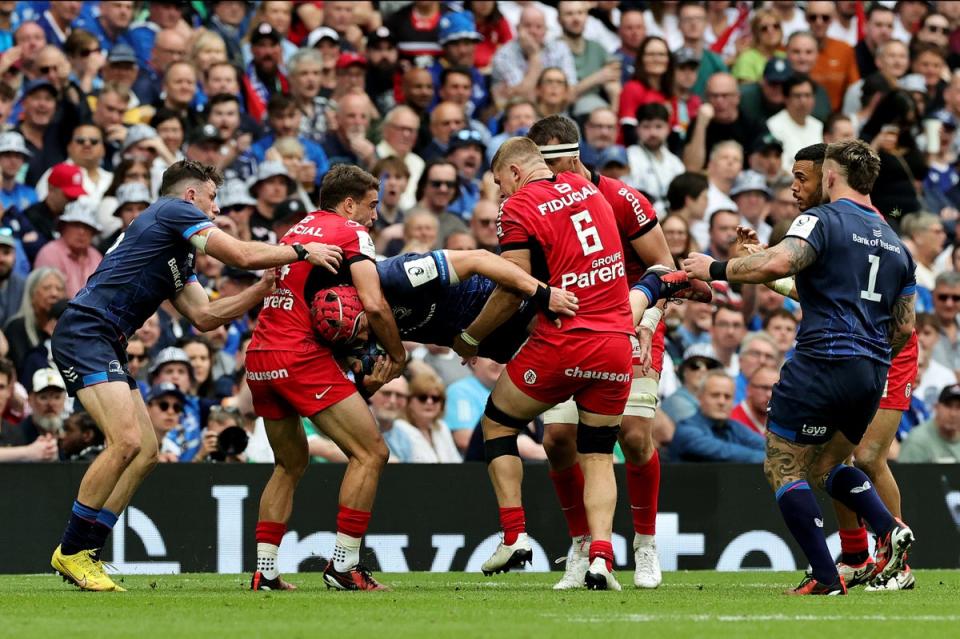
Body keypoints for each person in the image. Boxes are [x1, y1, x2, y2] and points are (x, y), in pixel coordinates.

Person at [47, 160, 343, 592]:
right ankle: (71, 551)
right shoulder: (171, 211)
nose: (216, 208)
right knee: (126, 441)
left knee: (145, 451)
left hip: (106, 339)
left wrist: (259, 291)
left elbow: (205, 316)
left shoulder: (172, 248)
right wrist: (301, 251)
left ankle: (86, 551)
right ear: (191, 197)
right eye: (212, 198)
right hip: (85, 331)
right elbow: (239, 254)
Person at [683, 139, 916, 595]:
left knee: (783, 465)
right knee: (828, 466)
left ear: (832, 175)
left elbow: (780, 261)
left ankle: (826, 576)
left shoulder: (822, 218)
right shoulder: (896, 242)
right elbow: (905, 328)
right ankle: (888, 529)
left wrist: (713, 267)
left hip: (822, 359)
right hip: (871, 371)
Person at [524, 114, 707, 590]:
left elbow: (665, 268)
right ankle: (582, 547)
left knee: (633, 434)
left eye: (547, 162)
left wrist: (645, 322)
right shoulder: (536, 203)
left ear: (571, 153)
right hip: (568, 330)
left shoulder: (622, 197)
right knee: (557, 439)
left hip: (632, 326)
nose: (542, 174)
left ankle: (646, 547)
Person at [453, 137, 636, 591]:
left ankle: (514, 534)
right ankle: (601, 557)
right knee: (596, 456)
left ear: (515, 172)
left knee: (497, 423)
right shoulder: (589, 188)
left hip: (566, 341)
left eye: (499, 182)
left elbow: (512, 284)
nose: (499, 193)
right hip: (616, 342)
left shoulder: (518, 207)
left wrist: (471, 336)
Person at [246, 164, 407, 592]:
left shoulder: (295, 231)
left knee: (290, 462)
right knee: (371, 453)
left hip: (261, 355)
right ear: (349, 203)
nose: (375, 216)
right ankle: (344, 566)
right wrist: (397, 354)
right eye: (371, 206)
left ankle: (266, 571)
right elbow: (372, 304)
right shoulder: (352, 232)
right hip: (299, 356)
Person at [668, 370, 765, 462]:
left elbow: (768, 447)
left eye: (727, 397)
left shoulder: (734, 427)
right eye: (715, 395)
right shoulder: (686, 430)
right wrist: (772, 460)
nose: (722, 402)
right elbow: (724, 452)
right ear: (699, 398)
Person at [390, 372, 460, 463]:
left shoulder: (442, 427)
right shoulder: (398, 428)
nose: (429, 402)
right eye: (422, 397)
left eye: (435, 398)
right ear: (409, 401)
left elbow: (456, 462)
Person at [898, 384, 960, 463]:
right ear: (936, 407)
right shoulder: (917, 440)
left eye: (958, 407)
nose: (953, 414)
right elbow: (905, 474)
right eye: (948, 406)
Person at [731, 365, 779, 437]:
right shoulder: (732, 420)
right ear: (748, 389)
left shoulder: (781, 423)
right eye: (764, 388)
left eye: (775, 390)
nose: (769, 394)